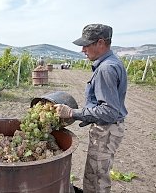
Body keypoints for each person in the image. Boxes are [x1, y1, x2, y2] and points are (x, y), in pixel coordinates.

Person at [55, 24, 128, 192]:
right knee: (96, 174)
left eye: (86, 45)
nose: (82, 49)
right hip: (109, 128)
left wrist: (73, 113)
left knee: (96, 178)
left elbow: (109, 111)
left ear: (100, 43)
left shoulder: (106, 69)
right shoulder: (112, 62)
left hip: (106, 129)